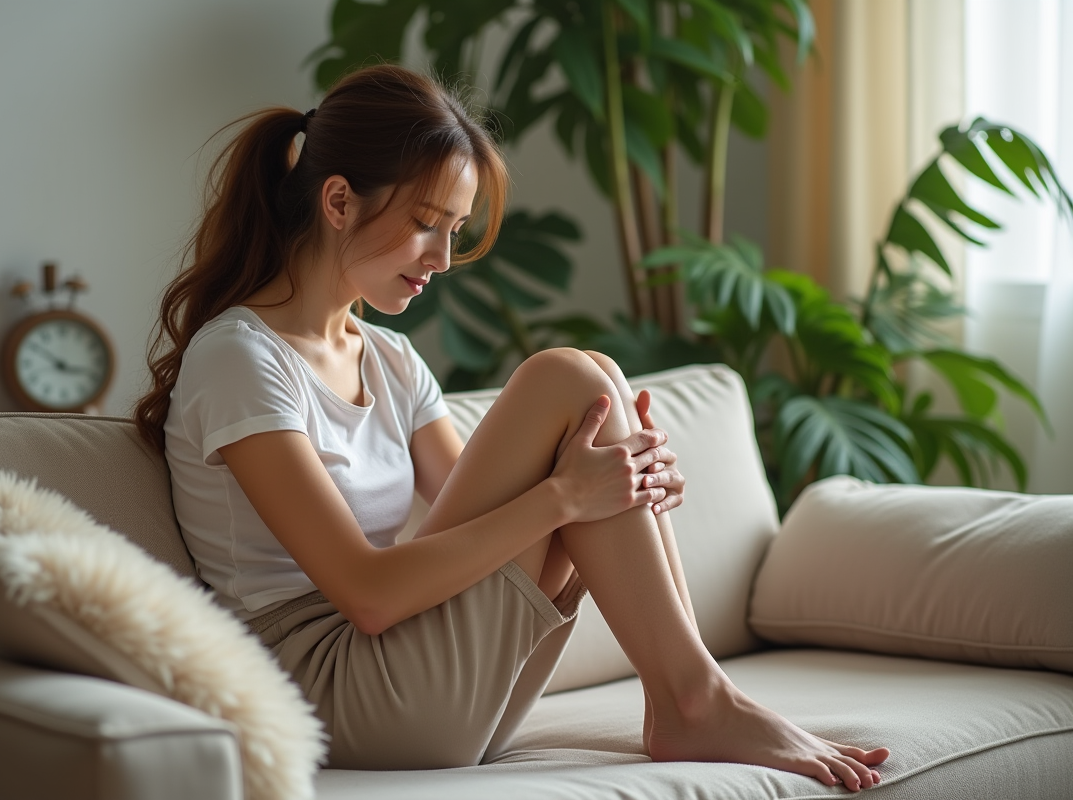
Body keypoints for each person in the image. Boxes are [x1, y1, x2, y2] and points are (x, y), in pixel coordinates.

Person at [133, 64, 888, 791]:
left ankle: (690, 694)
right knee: (566, 382)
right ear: (338, 202)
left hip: (429, 684)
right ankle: (695, 700)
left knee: (593, 385)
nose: (444, 259)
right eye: (426, 224)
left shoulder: (390, 360)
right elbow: (367, 594)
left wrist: (627, 480)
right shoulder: (240, 359)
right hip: (328, 693)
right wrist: (567, 496)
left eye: (455, 230)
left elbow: (494, 513)